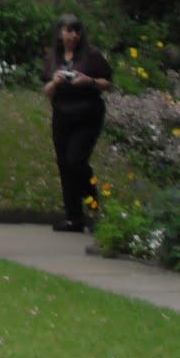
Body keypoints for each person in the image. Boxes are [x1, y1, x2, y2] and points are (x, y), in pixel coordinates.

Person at [41, 12, 112, 233]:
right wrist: (55, 82)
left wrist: (88, 80)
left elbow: (107, 83)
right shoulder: (54, 58)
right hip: (62, 114)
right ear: (60, 33)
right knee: (64, 164)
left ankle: (92, 202)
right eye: (68, 31)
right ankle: (73, 217)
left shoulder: (92, 56)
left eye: (76, 31)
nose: (72, 36)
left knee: (76, 160)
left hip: (88, 113)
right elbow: (47, 90)